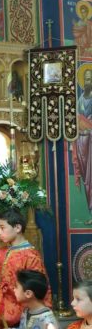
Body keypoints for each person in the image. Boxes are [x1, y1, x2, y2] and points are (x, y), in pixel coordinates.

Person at [73, 69, 92, 221]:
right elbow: (77, 118)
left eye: (89, 79)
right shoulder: (80, 99)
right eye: (85, 79)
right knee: (87, 178)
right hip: (83, 142)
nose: (87, 82)